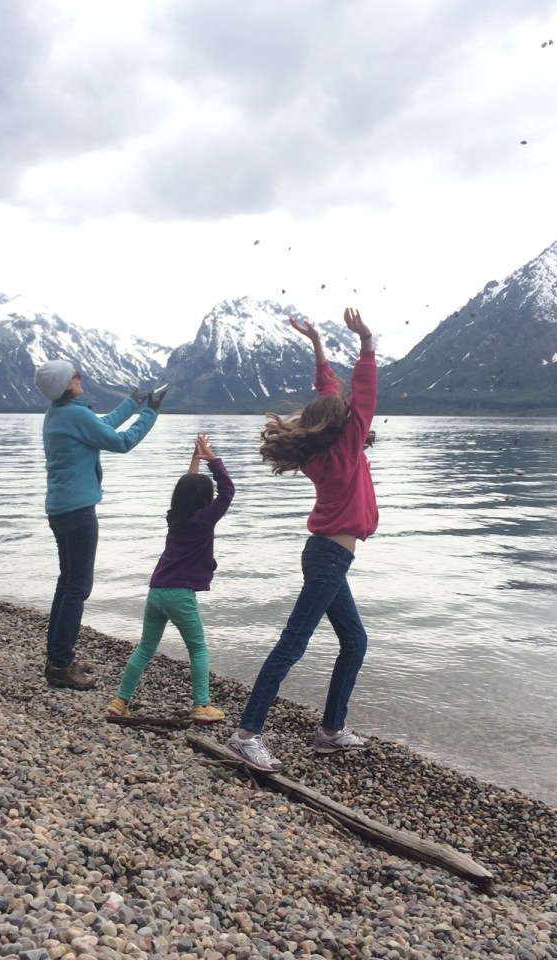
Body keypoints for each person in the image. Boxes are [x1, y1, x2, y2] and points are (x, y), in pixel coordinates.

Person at [224, 307, 378, 771]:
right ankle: (246, 734)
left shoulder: (322, 449)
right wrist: (365, 342)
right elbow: (362, 395)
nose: (354, 417)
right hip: (329, 558)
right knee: (292, 644)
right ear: (343, 427)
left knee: (355, 642)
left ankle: (331, 731)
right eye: (349, 417)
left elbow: (328, 394)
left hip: (327, 557)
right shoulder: (346, 448)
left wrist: (317, 345)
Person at [35, 359, 165, 691]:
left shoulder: (59, 414)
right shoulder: (74, 415)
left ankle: (57, 658)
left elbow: (101, 426)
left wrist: (132, 404)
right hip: (78, 513)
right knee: (77, 588)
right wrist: (150, 413)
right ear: (66, 385)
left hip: (60, 510)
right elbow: (121, 442)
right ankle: (60, 664)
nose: (80, 377)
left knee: (67, 584)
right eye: (75, 375)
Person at [107, 433, 234, 723]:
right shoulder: (204, 519)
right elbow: (228, 490)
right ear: (204, 501)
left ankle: (119, 701)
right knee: (197, 648)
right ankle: (201, 706)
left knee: (145, 648)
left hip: (157, 592)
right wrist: (213, 460)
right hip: (180, 595)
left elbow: (188, 488)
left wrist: (196, 459)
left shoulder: (175, 517)